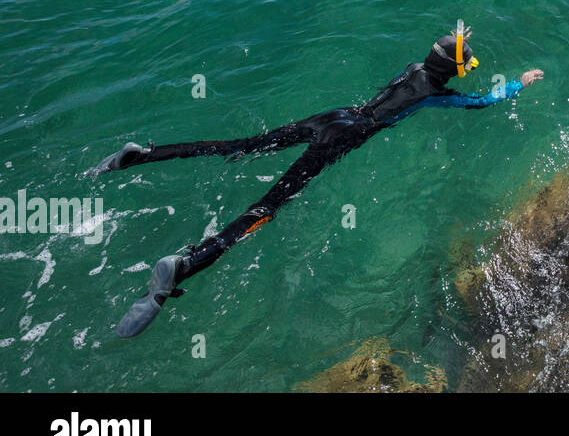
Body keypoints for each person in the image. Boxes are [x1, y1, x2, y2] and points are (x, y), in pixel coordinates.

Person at [88, 22, 542, 338]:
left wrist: (455, 42)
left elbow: (443, 56)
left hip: (336, 115)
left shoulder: (415, 69)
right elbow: (480, 103)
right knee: (268, 207)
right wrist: (517, 83)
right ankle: (186, 265)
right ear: (453, 72)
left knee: (241, 144)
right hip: (345, 138)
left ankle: (143, 155)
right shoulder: (436, 94)